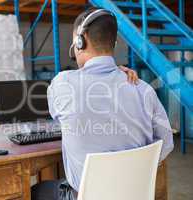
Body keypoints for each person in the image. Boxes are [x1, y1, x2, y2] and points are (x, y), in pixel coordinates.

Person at [31, 8, 174, 200]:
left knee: (36, 191)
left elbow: (57, 113)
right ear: (113, 43)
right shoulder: (144, 89)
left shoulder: (62, 84)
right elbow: (166, 143)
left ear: (80, 42)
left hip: (82, 196)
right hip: (134, 195)